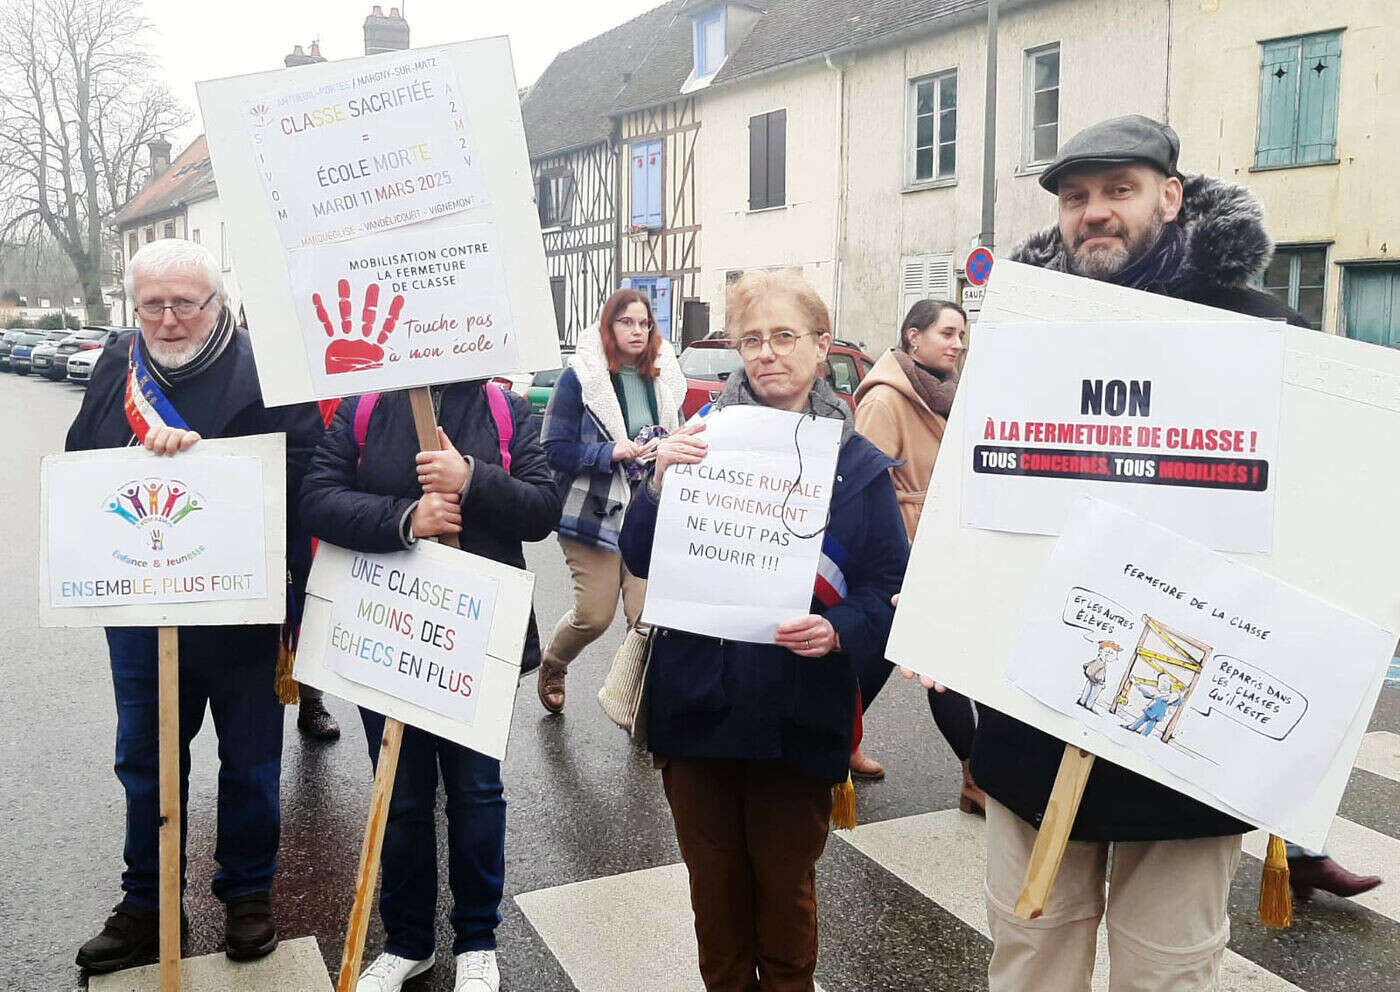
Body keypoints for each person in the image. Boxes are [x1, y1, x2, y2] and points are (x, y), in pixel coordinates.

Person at [975, 114, 1379, 992]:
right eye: (1076, 197)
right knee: (1031, 951)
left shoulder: (1263, 329)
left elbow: (1330, 508)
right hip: (1038, 706)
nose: (1094, 213)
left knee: (1167, 969)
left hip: (1193, 720)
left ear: (1170, 196)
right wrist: (951, 614)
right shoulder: (1023, 337)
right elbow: (982, 500)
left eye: (1118, 191)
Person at [620, 270, 908, 991]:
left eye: (784, 336)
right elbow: (636, 557)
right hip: (696, 709)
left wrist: (840, 630)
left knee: (785, 901)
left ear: (821, 346)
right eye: (752, 339)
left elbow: (886, 589)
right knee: (715, 902)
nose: (767, 354)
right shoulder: (698, 443)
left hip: (796, 715)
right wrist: (659, 484)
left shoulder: (858, 465)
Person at [66, 239, 323, 972]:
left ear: (217, 305)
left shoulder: (267, 370)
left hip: (240, 613)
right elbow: (80, 459)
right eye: (153, 304)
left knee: (248, 763)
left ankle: (246, 896)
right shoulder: (120, 365)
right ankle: (147, 903)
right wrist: (138, 447)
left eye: (187, 303)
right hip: (145, 611)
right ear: (135, 305)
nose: (170, 319)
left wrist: (208, 469)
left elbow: (305, 472)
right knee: (145, 762)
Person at [299, 376, 561, 992]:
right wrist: (406, 517)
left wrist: (471, 478)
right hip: (386, 631)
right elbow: (316, 498)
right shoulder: (364, 408)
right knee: (401, 791)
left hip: (475, 640)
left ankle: (476, 937)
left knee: (476, 789)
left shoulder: (504, 407)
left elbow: (543, 509)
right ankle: (409, 941)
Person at [851, 299, 985, 814]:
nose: (957, 343)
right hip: (902, 548)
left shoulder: (947, 394)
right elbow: (867, 486)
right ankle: (975, 778)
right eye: (947, 333)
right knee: (937, 663)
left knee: (882, 662)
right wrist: (889, 557)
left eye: (961, 335)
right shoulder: (886, 400)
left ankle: (840, 741)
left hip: (945, 540)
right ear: (913, 338)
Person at [537, 288, 686, 712]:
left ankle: (637, 701)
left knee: (646, 618)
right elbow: (552, 449)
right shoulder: (579, 378)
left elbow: (678, 433)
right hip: (592, 512)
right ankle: (555, 660)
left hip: (647, 508)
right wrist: (608, 452)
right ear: (609, 326)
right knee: (595, 615)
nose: (637, 331)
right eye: (627, 322)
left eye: (644, 323)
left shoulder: (662, 377)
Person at [1078, 641, 1119, 710]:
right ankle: (1088, 705)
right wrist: (1100, 682)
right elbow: (1098, 674)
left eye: (1111, 653)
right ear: (1101, 651)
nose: (1109, 655)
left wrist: (1089, 673)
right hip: (1097, 682)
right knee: (1093, 695)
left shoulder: (1097, 660)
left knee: (1087, 691)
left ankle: (1082, 701)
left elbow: (1085, 665)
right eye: (1108, 652)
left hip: (1091, 679)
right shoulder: (1102, 663)